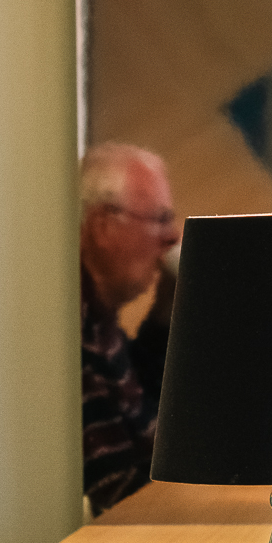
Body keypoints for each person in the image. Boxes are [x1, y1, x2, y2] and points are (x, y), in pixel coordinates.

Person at [79, 142, 181, 514]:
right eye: (160, 219)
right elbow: (118, 492)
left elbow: (146, 421)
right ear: (104, 227)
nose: (172, 237)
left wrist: (167, 312)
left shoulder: (99, 321)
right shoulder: (67, 334)